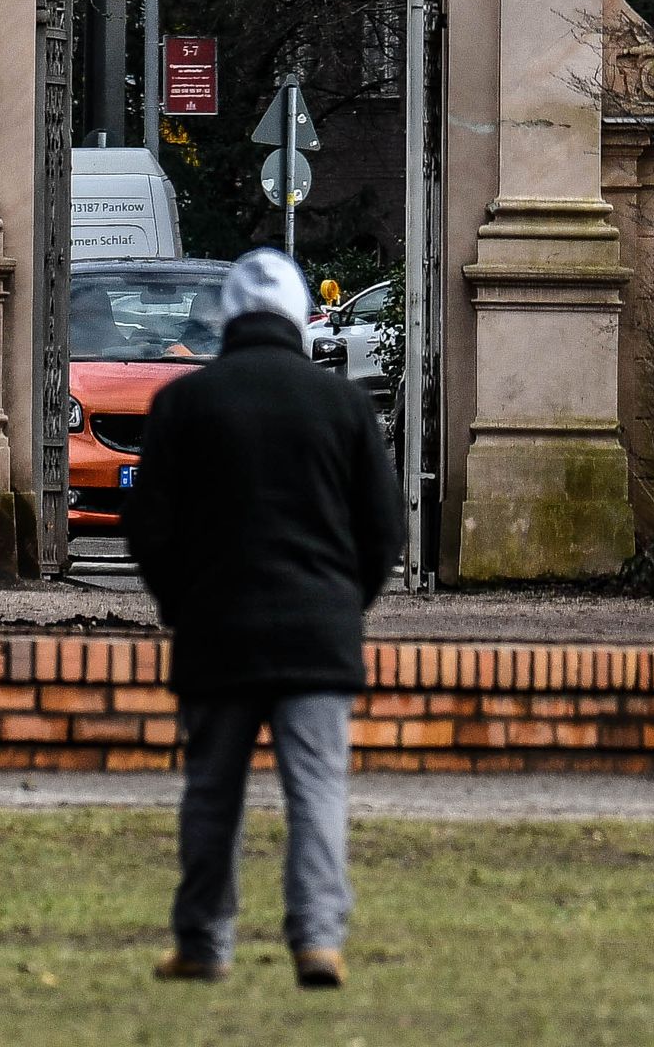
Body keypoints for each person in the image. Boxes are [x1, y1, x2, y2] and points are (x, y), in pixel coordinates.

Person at [120, 247, 399, 990]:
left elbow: (149, 528)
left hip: (217, 631)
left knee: (213, 791)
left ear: (232, 316)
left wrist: (182, 604)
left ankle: (204, 943)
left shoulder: (186, 402)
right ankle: (318, 942)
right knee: (318, 790)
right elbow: (384, 530)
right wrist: (345, 603)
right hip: (319, 633)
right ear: (295, 315)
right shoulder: (341, 404)